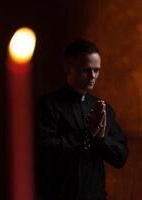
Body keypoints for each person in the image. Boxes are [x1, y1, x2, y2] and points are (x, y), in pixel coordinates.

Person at [35, 39, 128, 200]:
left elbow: (120, 158)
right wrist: (86, 134)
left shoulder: (104, 108)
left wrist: (101, 138)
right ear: (68, 68)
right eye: (86, 70)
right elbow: (44, 150)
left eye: (97, 70)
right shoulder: (48, 106)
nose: (93, 76)